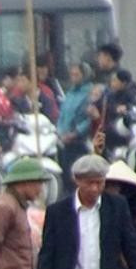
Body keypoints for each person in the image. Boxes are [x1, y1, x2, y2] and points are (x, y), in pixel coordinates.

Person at [57, 62, 94, 193]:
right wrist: (60, 131)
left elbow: (90, 119)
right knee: (66, 175)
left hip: (80, 142)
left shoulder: (90, 92)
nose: (73, 77)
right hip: (65, 141)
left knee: (78, 175)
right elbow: (62, 114)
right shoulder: (70, 93)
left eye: (76, 74)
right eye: (72, 74)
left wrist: (76, 132)